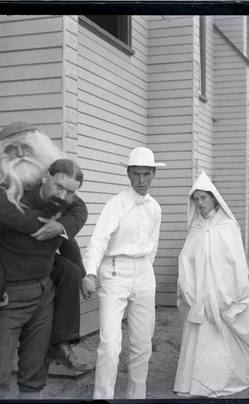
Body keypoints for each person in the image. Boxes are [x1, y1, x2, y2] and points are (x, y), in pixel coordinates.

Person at [0, 122, 94, 391]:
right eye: (13, 149)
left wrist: (81, 274)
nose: (21, 154)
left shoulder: (61, 203)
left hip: (44, 293)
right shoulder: (5, 200)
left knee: (35, 377)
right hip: (10, 295)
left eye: (27, 148)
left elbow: (68, 240)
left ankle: (61, 345)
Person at [82, 147, 165, 399]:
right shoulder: (115, 204)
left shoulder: (154, 207)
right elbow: (98, 240)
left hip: (144, 273)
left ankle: (135, 396)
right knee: (110, 344)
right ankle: (102, 396)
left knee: (142, 343)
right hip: (116, 272)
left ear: (153, 175)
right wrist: (90, 273)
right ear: (128, 174)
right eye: (137, 174)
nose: (141, 180)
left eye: (147, 174)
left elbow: (153, 245)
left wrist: (144, 271)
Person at [173, 171, 249, 397]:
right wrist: (190, 289)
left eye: (203, 198)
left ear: (213, 197)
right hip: (200, 296)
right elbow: (186, 259)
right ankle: (198, 382)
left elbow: (237, 264)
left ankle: (222, 378)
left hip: (223, 295)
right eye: (196, 199)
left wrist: (226, 295)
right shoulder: (197, 227)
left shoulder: (228, 226)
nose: (199, 203)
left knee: (222, 340)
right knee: (200, 337)